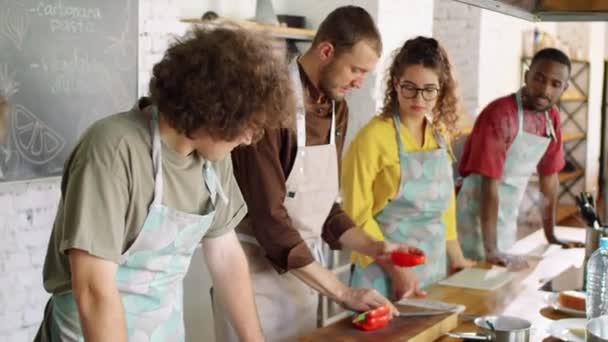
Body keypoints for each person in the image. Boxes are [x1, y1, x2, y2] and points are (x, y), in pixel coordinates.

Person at [34, 26, 294, 342]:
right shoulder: (113, 150)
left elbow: (226, 257)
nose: (251, 139)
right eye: (248, 127)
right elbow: (93, 290)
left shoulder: (213, 158)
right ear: (213, 113)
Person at [224, 6, 419, 341]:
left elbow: (322, 207)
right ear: (326, 51)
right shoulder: (269, 105)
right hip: (253, 275)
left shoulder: (335, 109)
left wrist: (374, 247)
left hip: (306, 275)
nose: (359, 83)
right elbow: (271, 220)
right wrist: (343, 292)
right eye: (355, 70)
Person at [342, 37, 475, 300]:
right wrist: (396, 269)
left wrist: (457, 259)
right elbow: (355, 214)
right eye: (409, 88)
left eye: (429, 90)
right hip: (382, 272)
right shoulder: (372, 138)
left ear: (441, 90)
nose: (419, 98)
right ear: (395, 84)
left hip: (433, 268)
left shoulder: (440, 135)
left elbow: (445, 210)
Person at [456, 47, 584, 270]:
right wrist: (492, 249)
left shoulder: (550, 118)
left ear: (564, 87)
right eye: (539, 79)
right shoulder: (500, 115)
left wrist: (551, 234)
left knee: (498, 286)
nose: (545, 90)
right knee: (472, 281)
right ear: (527, 76)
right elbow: (490, 184)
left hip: (506, 217)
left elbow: (549, 178)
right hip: (476, 214)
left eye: (555, 84)